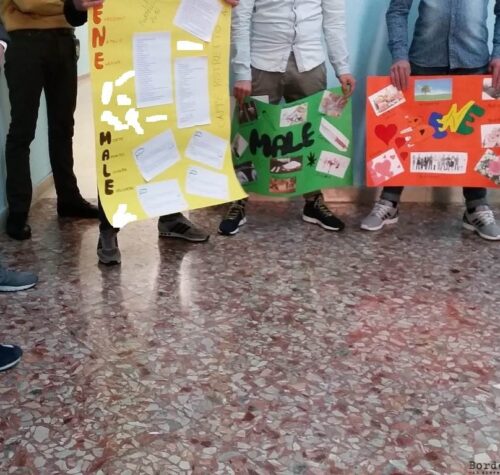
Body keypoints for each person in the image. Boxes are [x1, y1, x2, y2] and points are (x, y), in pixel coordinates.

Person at [64, 0, 239, 265]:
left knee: (174, 134)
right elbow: (73, 13)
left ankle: (171, 218)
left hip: (170, 56)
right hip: (122, 63)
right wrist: (77, 4)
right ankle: (109, 228)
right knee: (119, 143)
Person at [361, 0, 500, 241]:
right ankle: (389, 202)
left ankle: (476, 206)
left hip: (473, 62)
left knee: (475, 139)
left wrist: (498, 53)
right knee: (408, 134)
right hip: (424, 61)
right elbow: (397, 10)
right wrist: (399, 55)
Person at [218, 0, 356, 236]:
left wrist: (342, 67)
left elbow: (334, 22)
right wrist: (242, 73)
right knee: (250, 134)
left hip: (310, 63)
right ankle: (238, 201)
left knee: (312, 136)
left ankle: (313, 202)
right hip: (262, 63)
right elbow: (241, 19)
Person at [0, 0, 100, 242]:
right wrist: (70, 5)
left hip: (64, 40)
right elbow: (28, 3)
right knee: (22, 131)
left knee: (63, 127)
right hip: (24, 42)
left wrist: (76, 7)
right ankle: (18, 211)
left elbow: (80, 8)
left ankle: (69, 198)